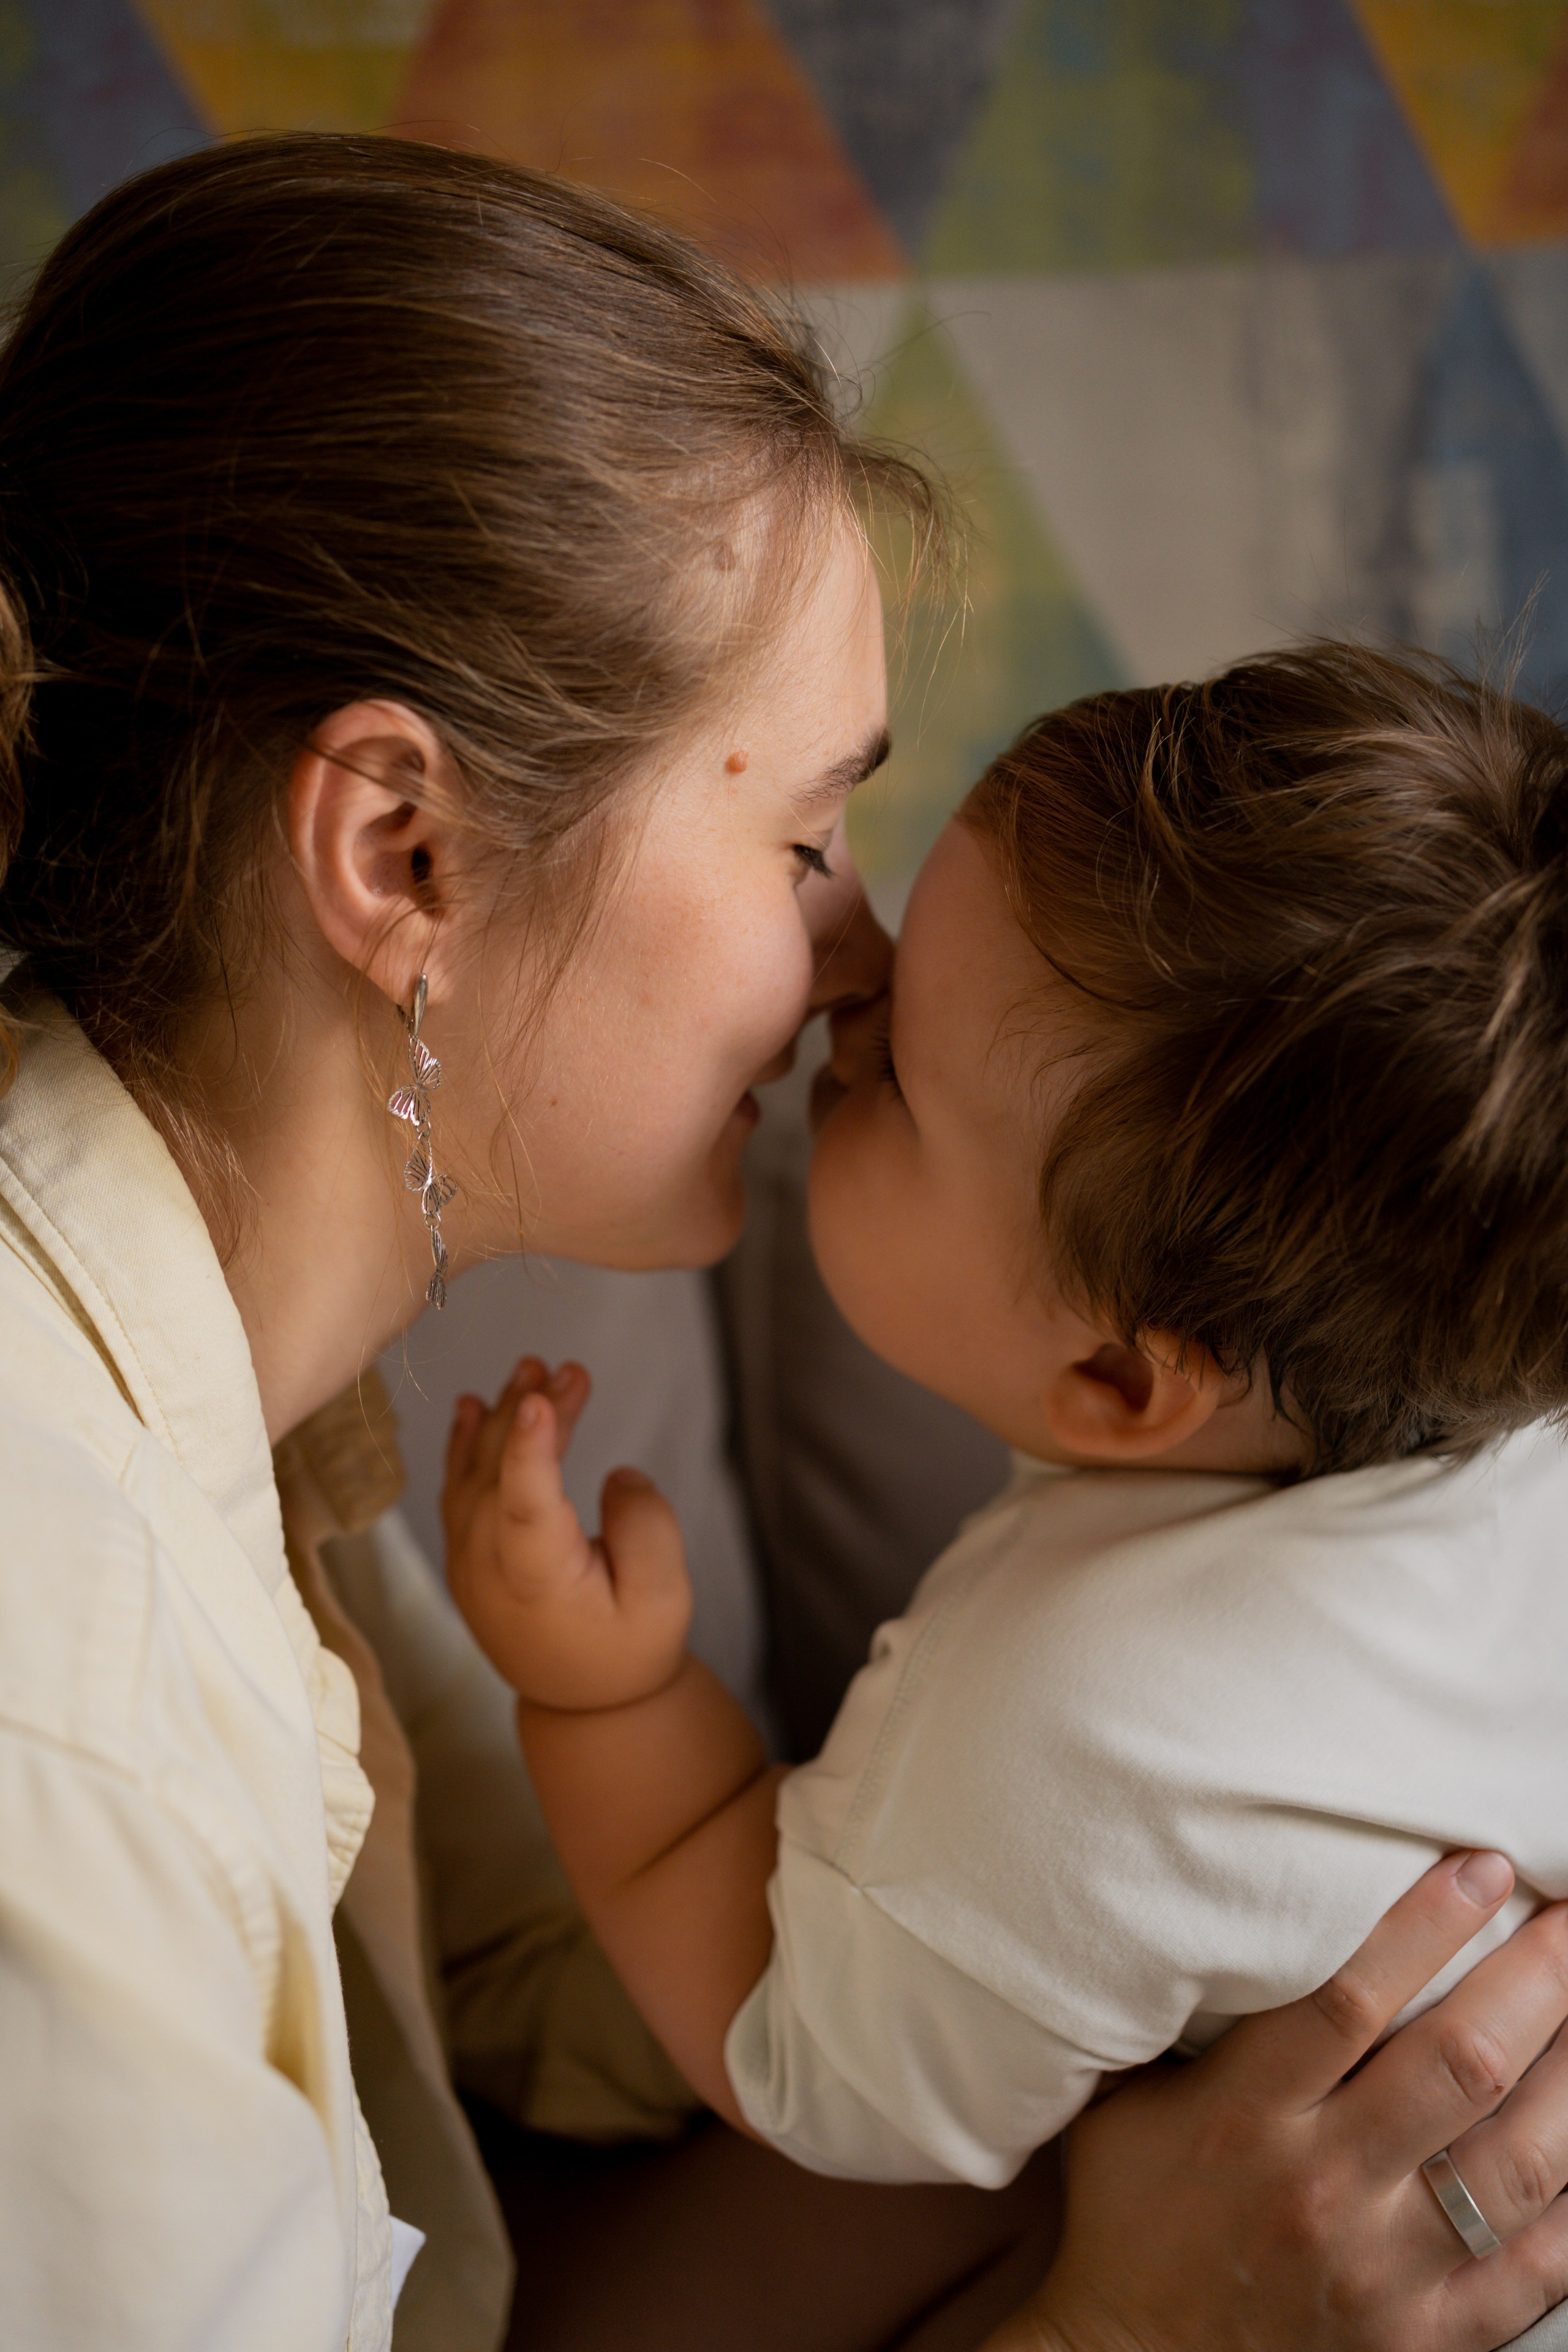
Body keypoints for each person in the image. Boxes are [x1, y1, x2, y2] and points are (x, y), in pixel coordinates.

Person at [0, 130, 1562, 2352]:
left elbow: (543, 1998)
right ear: (404, 854)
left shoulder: (251, 1396)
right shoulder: (52, 1699)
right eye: (808, 834)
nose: (858, 962)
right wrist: (1132, 2326)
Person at [444, 649, 1568, 2331]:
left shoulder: (1059, 1734)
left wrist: (605, 1698)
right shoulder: (1500, 1415)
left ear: (1121, 1385)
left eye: (893, 1069)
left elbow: (784, 2039)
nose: (841, 986)